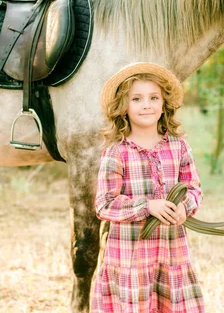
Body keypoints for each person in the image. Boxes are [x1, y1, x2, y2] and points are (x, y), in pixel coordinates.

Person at [91, 62, 205, 313]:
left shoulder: (179, 148)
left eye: (154, 97)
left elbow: (194, 189)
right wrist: (147, 206)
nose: (147, 104)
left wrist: (185, 207)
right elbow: (104, 204)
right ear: (123, 107)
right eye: (137, 98)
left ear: (164, 104)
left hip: (171, 252)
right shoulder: (116, 153)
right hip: (130, 257)